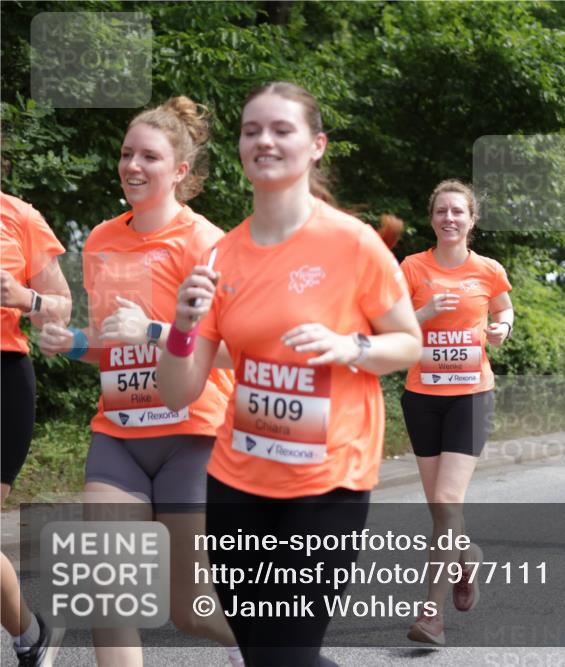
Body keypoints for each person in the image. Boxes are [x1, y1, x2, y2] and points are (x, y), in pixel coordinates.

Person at [156, 81, 421, 667]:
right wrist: (180, 324)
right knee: (263, 652)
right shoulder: (221, 256)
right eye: (252, 131)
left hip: (328, 480)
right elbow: (180, 390)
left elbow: (409, 344)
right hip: (236, 481)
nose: (264, 141)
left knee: (282, 655)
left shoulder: (352, 243)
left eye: (282, 130)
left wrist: (347, 345)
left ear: (316, 145)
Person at [36, 97, 243, 666]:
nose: (132, 165)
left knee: (192, 611)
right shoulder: (101, 240)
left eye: (149, 156)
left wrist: (155, 331)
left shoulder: (207, 244)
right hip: (119, 435)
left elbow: (235, 352)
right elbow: (108, 347)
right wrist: (71, 342)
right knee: (111, 597)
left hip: (192, 436)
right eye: (127, 153)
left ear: (179, 170)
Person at [400, 179, 514, 645]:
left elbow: (505, 308)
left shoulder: (488, 270)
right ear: (432, 218)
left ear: (472, 220)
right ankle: (466, 559)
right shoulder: (410, 268)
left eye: (458, 212)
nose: (450, 218)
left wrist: (501, 327)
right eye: (442, 211)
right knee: (441, 510)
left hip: (471, 395)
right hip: (422, 396)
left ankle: (431, 614)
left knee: (447, 502)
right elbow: (387, 326)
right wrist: (424, 314)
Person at [1, 192, 71, 667]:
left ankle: (30, 635)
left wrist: (26, 297)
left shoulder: (19, 216)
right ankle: (29, 633)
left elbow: (64, 309)